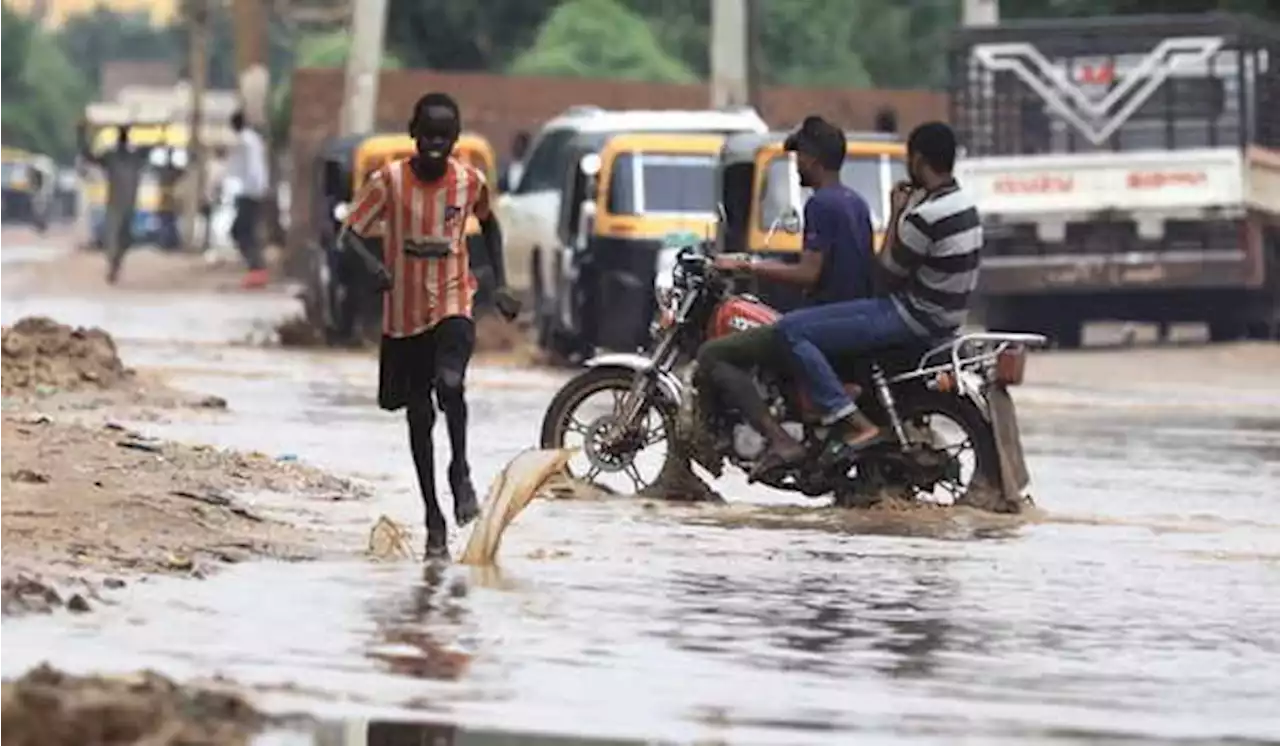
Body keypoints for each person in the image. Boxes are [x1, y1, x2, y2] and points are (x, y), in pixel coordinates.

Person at [340, 92, 522, 560]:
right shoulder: (389, 182)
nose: (436, 144)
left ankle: (460, 470)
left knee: (452, 383)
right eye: (428, 134)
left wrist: (502, 284)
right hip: (404, 311)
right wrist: (372, 268)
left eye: (445, 136)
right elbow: (350, 235)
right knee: (418, 415)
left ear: (456, 139)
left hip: (454, 298)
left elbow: (491, 226)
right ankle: (432, 517)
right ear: (414, 134)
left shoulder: (469, 182)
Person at [763, 121, 981, 465]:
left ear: (919, 160)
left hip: (910, 316)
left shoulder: (925, 217)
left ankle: (847, 417)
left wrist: (896, 213)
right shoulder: (965, 207)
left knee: (791, 329)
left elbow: (885, 275)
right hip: (946, 319)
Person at [695, 115, 876, 472]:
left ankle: (780, 440)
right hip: (850, 315)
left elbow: (809, 272)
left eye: (798, 159)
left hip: (826, 322)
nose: (796, 168)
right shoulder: (855, 202)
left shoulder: (821, 204)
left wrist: (746, 266)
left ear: (812, 158)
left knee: (714, 354)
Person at [77, 121, 150, 284]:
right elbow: (89, 156)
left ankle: (116, 264)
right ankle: (113, 265)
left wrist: (155, 131)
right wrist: (81, 136)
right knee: (113, 237)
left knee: (126, 238)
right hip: (115, 204)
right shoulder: (111, 157)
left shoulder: (135, 157)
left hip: (130, 204)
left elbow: (152, 149)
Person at [227, 110, 270, 289]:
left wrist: (253, 189)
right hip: (251, 191)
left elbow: (253, 168)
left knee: (241, 231)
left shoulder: (246, 141)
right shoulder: (253, 140)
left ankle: (257, 269)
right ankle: (256, 269)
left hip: (249, 192)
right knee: (246, 231)